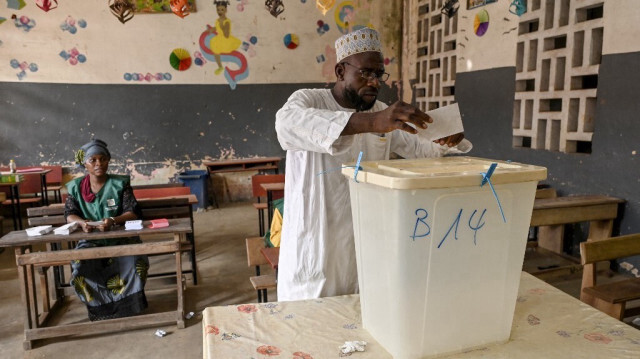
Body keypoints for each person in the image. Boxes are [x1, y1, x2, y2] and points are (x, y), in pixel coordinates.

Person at [275, 28, 473, 301]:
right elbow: (286, 124)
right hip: (316, 242)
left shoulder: (383, 113)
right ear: (341, 71)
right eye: (366, 73)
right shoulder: (308, 100)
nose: (374, 82)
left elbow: (422, 148)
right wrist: (371, 123)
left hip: (364, 242)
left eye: (379, 75)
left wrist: (448, 139)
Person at [65, 139, 149, 321]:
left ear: (108, 160)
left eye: (103, 159)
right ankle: (101, 310)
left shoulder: (120, 184)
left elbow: (132, 212)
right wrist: (81, 223)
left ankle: (128, 309)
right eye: (93, 160)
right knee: (81, 266)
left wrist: (113, 220)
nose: (98, 164)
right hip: (91, 241)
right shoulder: (76, 187)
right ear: (84, 164)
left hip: (122, 239)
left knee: (136, 261)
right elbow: (70, 213)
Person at [209, 0, 241, 75]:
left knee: (219, 49)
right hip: (219, 38)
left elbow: (226, 35)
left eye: (222, 9)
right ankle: (220, 66)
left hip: (226, 39)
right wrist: (212, 29)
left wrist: (222, 27)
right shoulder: (217, 20)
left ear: (226, 10)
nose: (220, 11)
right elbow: (217, 27)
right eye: (218, 9)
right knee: (215, 50)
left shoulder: (227, 21)